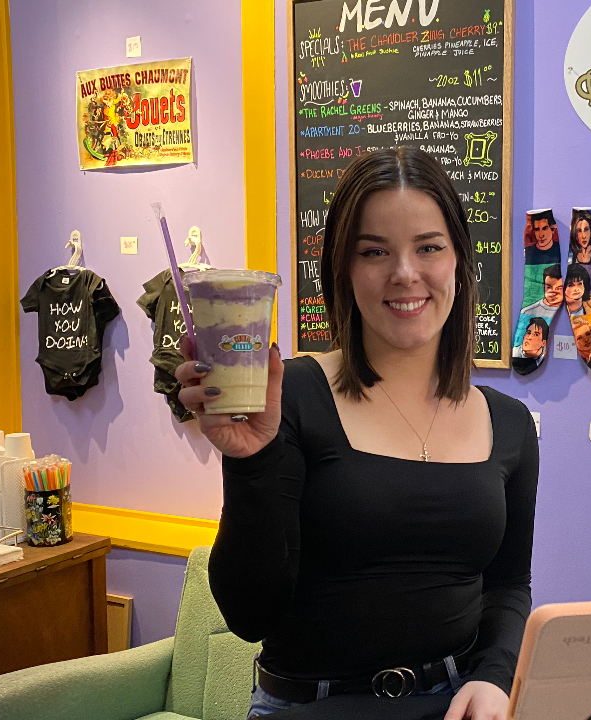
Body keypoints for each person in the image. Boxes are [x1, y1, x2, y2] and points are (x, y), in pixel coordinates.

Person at [175, 147, 538, 720]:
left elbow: (509, 584)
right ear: (343, 269)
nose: (405, 273)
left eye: (429, 247)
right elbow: (249, 616)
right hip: (309, 706)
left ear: (460, 261)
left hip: (454, 704)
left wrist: (495, 676)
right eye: (374, 251)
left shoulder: (510, 423)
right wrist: (250, 462)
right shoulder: (291, 395)